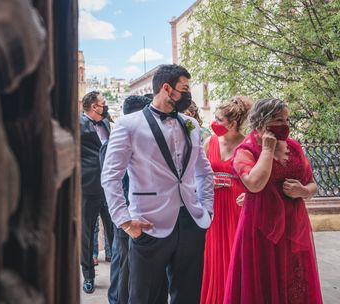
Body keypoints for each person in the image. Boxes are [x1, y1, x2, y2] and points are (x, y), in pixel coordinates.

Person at [102, 64, 214, 304]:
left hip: (192, 222)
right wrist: (124, 220)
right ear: (167, 88)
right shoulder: (128, 124)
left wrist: (207, 209)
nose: (188, 93)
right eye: (184, 88)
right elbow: (110, 176)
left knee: (188, 295)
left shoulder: (191, 125)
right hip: (148, 223)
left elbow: (204, 171)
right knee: (146, 297)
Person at [224, 98, 322, 304]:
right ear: (262, 121)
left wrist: (303, 190)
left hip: (294, 228)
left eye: (287, 119)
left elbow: (313, 185)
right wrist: (267, 150)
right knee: (264, 282)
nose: (285, 125)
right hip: (261, 228)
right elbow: (254, 184)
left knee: (295, 282)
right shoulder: (246, 150)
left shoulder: (294, 147)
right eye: (279, 119)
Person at [101, 94, 153, 304]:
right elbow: (112, 180)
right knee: (122, 265)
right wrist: (124, 216)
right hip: (126, 213)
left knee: (126, 264)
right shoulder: (117, 142)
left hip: (131, 211)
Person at [200, 96, 253, 304]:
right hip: (214, 207)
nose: (215, 122)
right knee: (214, 257)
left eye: (219, 119)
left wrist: (251, 195)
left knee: (236, 255)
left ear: (232, 124)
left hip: (238, 205)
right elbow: (198, 174)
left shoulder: (249, 144)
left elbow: (259, 177)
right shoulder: (209, 142)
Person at [80, 91, 115, 294]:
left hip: (109, 188)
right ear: (94, 106)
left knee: (116, 234)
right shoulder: (77, 124)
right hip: (88, 188)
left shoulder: (107, 124)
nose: (105, 106)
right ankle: (88, 277)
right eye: (103, 103)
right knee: (86, 234)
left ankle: (118, 276)